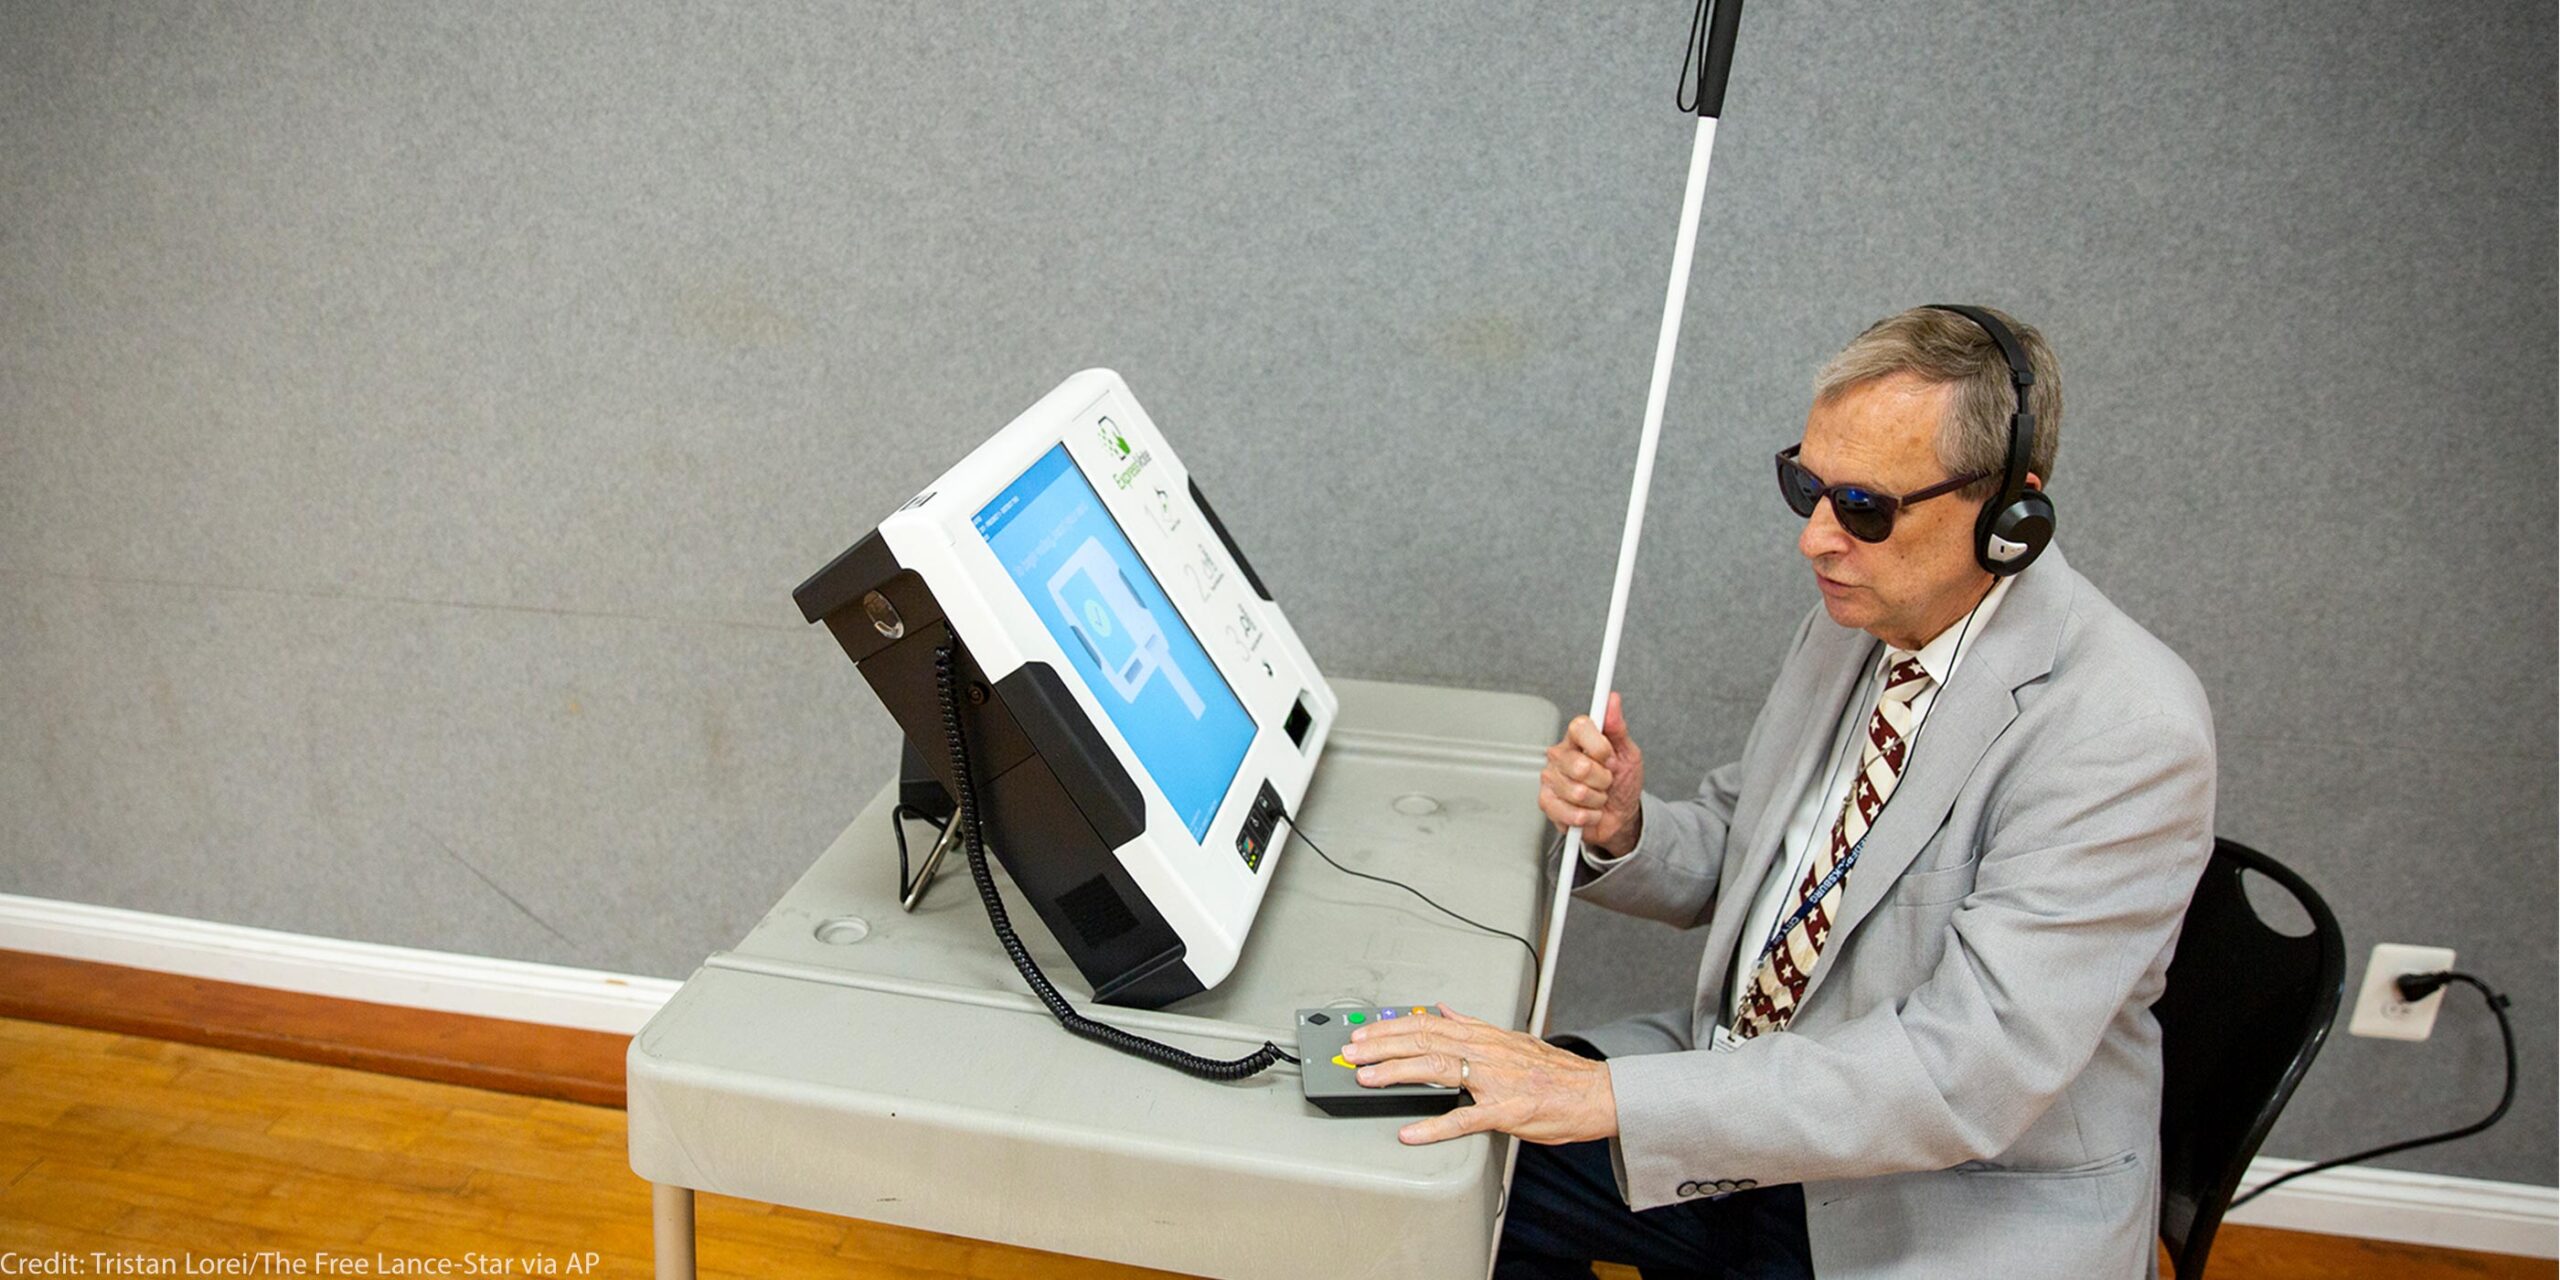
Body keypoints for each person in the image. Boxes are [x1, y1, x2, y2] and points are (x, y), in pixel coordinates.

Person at [1341, 305, 2216, 1277]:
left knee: (1530, 1128)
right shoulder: (1859, 619)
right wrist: (1628, 824)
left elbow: (1963, 1073)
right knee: (1451, 1155)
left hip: (1940, 1197)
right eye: (1806, 484)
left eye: (1864, 507)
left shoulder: (2125, 729)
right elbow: (1751, 851)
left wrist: (1614, 1098)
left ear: (2014, 513)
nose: (1815, 539)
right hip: (1752, 1103)